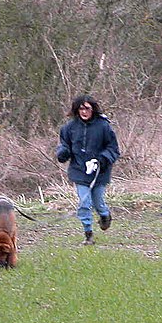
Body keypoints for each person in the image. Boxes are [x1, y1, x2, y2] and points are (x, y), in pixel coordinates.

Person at [55, 94, 120, 245]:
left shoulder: (103, 126)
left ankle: (104, 215)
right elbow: (64, 146)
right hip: (79, 171)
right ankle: (88, 234)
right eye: (81, 109)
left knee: (98, 202)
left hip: (99, 172)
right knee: (84, 203)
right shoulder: (68, 128)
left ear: (93, 109)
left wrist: (101, 160)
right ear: (76, 110)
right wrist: (62, 153)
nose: (84, 112)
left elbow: (113, 149)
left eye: (87, 108)